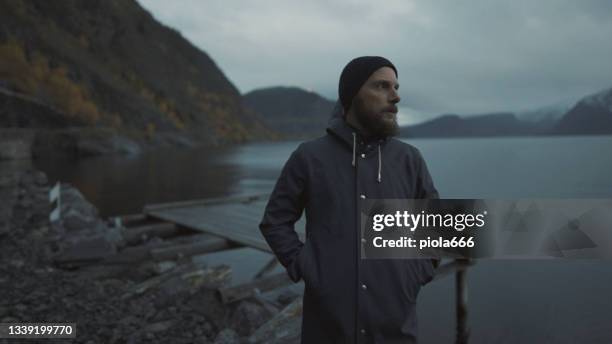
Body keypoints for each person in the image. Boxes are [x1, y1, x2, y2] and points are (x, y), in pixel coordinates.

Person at [259, 56, 439, 344]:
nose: (395, 96)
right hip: (329, 327)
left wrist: (415, 273)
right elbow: (275, 222)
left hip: (395, 328)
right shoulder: (309, 157)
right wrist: (305, 264)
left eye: (395, 87)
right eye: (382, 86)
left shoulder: (410, 160)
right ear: (352, 95)